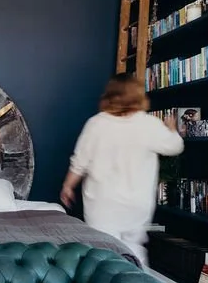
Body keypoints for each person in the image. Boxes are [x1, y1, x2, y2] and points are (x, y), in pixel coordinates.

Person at [60, 74, 184, 266]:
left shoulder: (96, 124)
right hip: (137, 203)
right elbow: (175, 147)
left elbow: (80, 162)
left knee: (103, 253)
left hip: (103, 204)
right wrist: (172, 129)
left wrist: (68, 186)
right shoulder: (149, 124)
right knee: (133, 250)